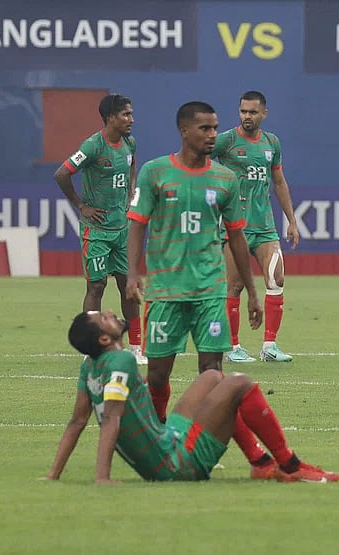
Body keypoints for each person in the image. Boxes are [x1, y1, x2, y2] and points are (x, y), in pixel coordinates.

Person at [125, 101, 288, 480]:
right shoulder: (155, 172)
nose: (213, 134)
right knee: (158, 377)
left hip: (210, 291)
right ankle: (159, 443)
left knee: (214, 377)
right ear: (184, 130)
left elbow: (237, 237)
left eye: (215, 128)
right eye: (205, 128)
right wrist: (133, 274)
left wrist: (252, 292)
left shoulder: (224, 179)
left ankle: (256, 460)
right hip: (165, 291)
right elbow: (137, 224)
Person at [45, 310, 339, 483]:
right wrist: (102, 477)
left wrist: (53, 475)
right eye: (104, 318)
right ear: (104, 339)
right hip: (176, 464)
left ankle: (260, 463)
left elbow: (77, 422)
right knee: (240, 382)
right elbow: (111, 418)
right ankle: (290, 465)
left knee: (212, 377)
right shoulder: (122, 360)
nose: (110, 313)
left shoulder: (90, 366)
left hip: (166, 440)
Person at [53, 94, 145, 365]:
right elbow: (62, 173)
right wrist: (81, 206)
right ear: (110, 118)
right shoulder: (93, 146)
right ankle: (92, 349)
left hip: (122, 229)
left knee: (128, 286)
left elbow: (132, 163)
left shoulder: (129, 142)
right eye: (126, 114)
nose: (131, 119)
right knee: (96, 285)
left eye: (131, 113)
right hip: (96, 231)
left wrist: (131, 190)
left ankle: (136, 347)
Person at [213, 91, 300, 363]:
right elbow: (197, 161)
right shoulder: (226, 141)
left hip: (265, 227)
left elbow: (279, 182)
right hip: (234, 227)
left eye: (252, 112)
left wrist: (292, 220)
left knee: (277, 279)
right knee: (235, 286)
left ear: (264, 114)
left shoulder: (271, 142)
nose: (247, 116)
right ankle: (232, 347)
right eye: (243, 111)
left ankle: (270, 345)